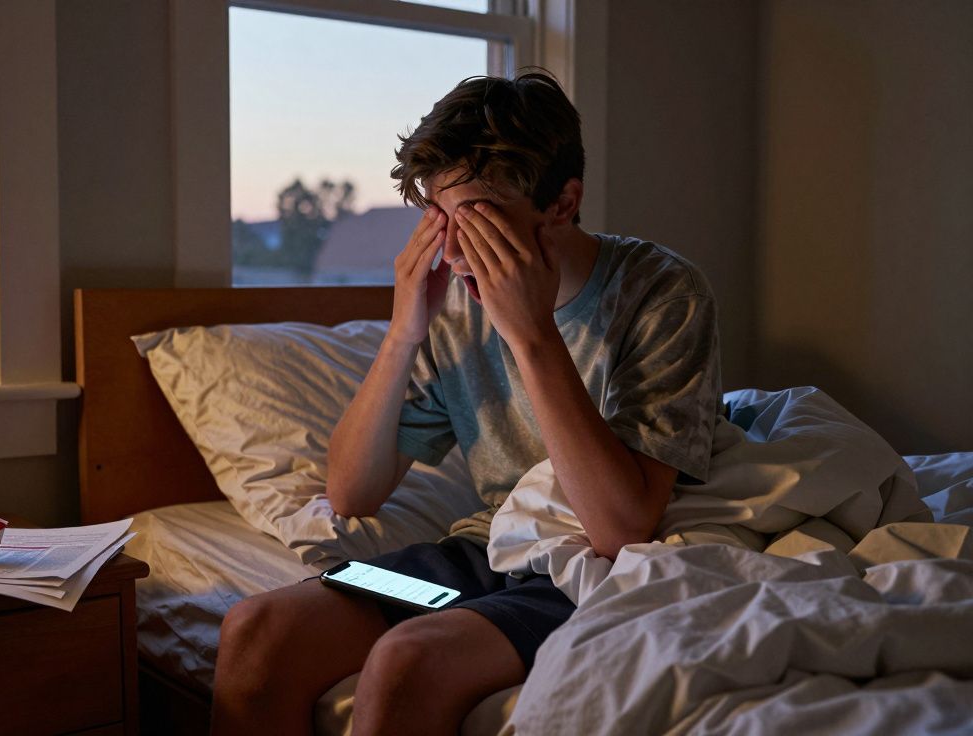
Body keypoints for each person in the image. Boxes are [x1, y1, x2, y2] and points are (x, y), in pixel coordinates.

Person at [211, 71, 722, 735]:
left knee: (405, 661)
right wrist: (403, 333)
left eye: (478, 219)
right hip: (478, 560)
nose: (453, 250)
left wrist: (531, 331)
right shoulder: (454, 306)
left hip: (589, 573)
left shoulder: (664, 293)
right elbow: (350, 494)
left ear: (563, 203)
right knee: (257, 630)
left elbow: (620, 528)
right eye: (439, 219)